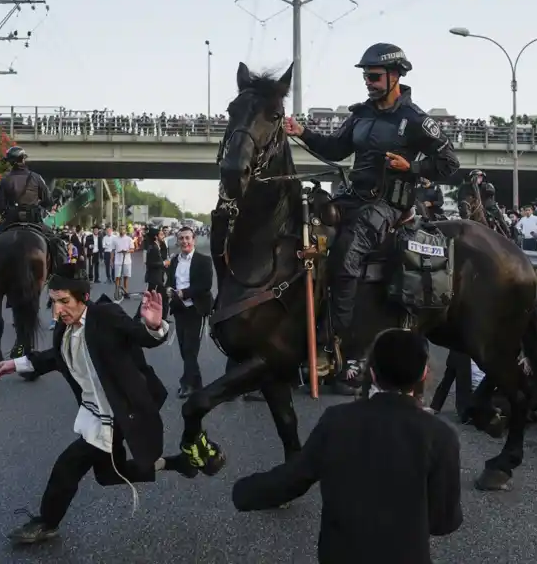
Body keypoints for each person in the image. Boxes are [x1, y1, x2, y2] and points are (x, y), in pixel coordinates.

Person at [283, 43, 460, 375]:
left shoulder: (416, 120)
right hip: (353, 196)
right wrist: (302, 132)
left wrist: (413, 167)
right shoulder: (361, 114)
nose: (369, 81)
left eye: (375, 76)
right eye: (366, 76)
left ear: (395, 76)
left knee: (347, 252)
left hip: (389, 204)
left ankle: (335, 343)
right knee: (304, 229)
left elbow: (450, 163)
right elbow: (335, 149)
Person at [232, 328, 463, 564]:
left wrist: (244, 492)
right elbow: (444, 522)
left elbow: (292, 479)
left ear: (372, 373)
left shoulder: (337, 420)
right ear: (424, 373)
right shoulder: (441, 435)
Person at [0, 265, 172, 545]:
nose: (57, 311)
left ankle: (47, 523)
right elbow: (55, 357)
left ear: (83, 297)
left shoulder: (105, 316)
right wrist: (15, 364)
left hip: (119, 412)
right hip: (94, 413)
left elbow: (140, 336)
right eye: (53, 302)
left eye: (64, 302)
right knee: (108, 475)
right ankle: (173, 463)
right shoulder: (65, 326)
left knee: (68, 466)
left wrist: (154, 325)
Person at [0, 146, 65, 273]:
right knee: (56, 243)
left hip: (10, 220)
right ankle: (56, 273)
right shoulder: (37, 178)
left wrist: (7, 209)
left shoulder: (5, 180)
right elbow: (48, 201)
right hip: (33, 220)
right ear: (24, 160)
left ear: (10, 162)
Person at [166, 227, 214, 399]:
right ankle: (197, 383)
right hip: (179, 309)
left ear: (194, 240)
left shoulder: (204, 260)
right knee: (183, 349)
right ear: (178, 241)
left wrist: (184, 293)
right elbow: (170, 281)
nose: (184, 241)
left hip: (196, 309)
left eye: (187, 238)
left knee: (190, 349)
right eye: (181, 239)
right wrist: (169, 290)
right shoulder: (174, 261)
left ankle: (186, 384)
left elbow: (206, 285)